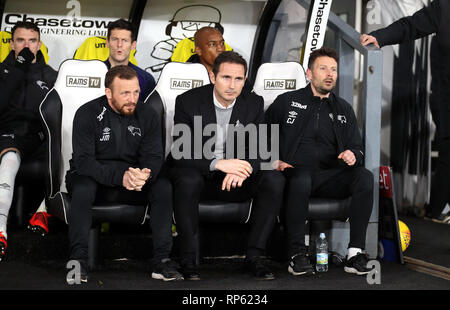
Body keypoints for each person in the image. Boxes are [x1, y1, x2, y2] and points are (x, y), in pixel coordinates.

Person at [168, 51, 285, 281]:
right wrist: (219, 163)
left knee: (274, 179)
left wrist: (243, 168)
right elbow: (181, 153)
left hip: (236, 178)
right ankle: (188, 259)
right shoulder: (188, 101)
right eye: (226, 78)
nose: (232, 85)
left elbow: (261, 149)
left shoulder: (253, 102)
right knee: (187, 179)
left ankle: (255, 258)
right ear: (213, 77)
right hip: (202, 176)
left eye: (239, 79)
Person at [65, 65, 181, 283]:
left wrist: (144, 175)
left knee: (163, 186)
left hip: (134, 180)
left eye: (136, 92)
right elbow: (84, 162)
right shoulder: (87, 113)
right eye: (125, 93)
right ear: (108, 92)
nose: (132, 99)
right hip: (95, 178)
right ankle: (77, 260)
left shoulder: (148, 113)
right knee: (82, 187)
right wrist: (121, 176)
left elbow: (154, 156)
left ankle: (162, 260)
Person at [265, 47, 374, 276]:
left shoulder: (343, 108)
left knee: (365, 177)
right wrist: (273, 161)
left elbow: (357, 148)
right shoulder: (286, 102)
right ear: (309, 73)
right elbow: (261, 137)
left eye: (333, 69)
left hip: (330, 175)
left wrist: (353, 155)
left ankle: (354, 253)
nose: (329, 74)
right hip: (294, 173)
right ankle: (297, 254)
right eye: (323, 68)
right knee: (302, 177)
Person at [360, 0, 450, 222]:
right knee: (449, 147)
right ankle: (438, 211)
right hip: (446, 97)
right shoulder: (445, 8)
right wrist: (380, 37)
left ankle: (439, 209)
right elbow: (411, 25)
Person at [0, 21, 57, 261]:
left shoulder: (52, 75)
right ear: (12, 44)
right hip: (9, 133)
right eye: (21, 40)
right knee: (10, 158)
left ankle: (44, 211)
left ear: (39, 44)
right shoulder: (3, 71)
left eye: (31, 41)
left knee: (70, 155)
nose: (26, 45)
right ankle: (1, 229)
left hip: (40, 136)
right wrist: (18, 66)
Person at [105, 19, 156, 102]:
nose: (119, 45)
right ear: (107, 42)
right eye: (115, 39)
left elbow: (148, 112)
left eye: (124, 40)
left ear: (133, 45)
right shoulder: (93, 73)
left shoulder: (146, 79)